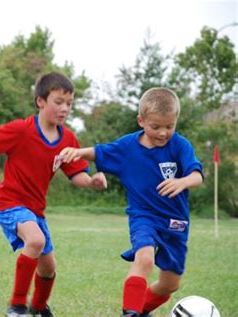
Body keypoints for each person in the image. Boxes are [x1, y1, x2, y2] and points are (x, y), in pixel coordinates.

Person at [0, 71, 107, 317]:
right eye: (58, 102)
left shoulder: (68, 139)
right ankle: (17, 306)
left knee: (48, 268)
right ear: (41, 102)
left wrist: (92, 181)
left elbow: (76, 175)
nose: (65, 109)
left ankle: (39, 307)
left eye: (69, 104)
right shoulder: (22, 130)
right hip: (10, 203)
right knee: (36, 240)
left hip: (35, 210)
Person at [60, 87, 204, 317]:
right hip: (144, 216)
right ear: (141, 121)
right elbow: (100, 152)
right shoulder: (128, 147)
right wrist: (76, 152)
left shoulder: (180, 145)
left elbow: (197, 176)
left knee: (170, 284)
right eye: (155, 126)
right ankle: (130, 312)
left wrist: (183, 181)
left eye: (169, 126)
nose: (163, 133)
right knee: (144, 258)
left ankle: (140, 309)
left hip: (176, 222)